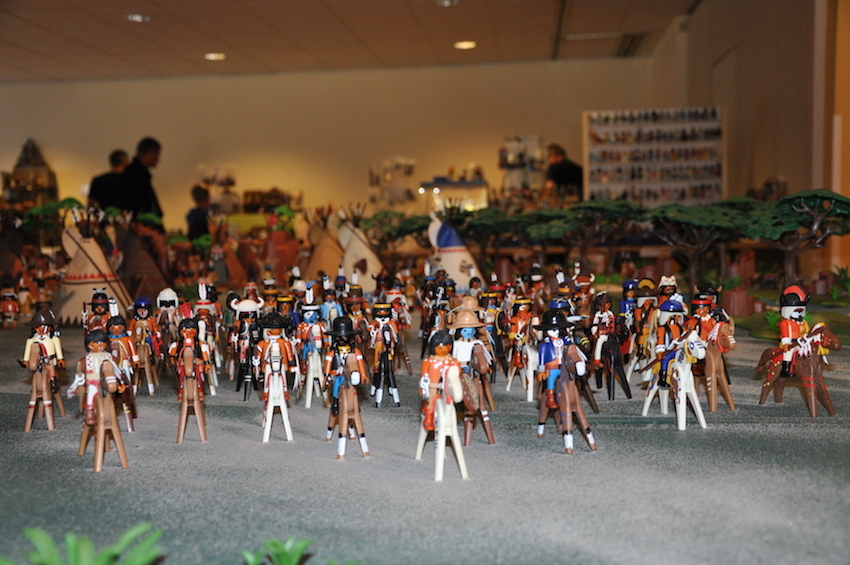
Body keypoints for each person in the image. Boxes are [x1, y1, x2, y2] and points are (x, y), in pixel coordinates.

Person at [122, 137, 163, 219]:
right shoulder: (136, 175)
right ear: (149, 154)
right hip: (141, 222)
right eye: (156, 155)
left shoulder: (135, 173)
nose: (158, 159)